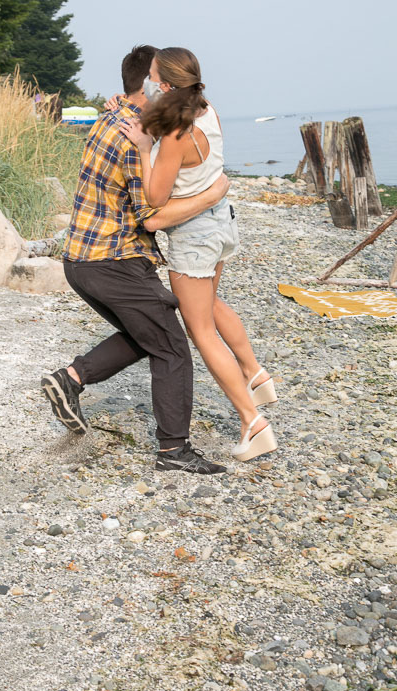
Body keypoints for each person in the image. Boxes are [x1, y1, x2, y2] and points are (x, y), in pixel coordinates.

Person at [41, 44, 231, 474]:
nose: (172, 94)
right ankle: (173, 451)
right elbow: (152, 218)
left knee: (148, 334)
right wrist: (213, 193)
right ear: (148, 86)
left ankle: (70, 380)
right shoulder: (135, 140)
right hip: (114, 259)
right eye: (164, 85)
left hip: (81, 260)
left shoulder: (110, 116)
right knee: (172, 349)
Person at [112, 47, 278, 462]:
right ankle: (255, 373)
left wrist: (144, 148)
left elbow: (155, 196)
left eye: (151, 77)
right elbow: (164, 112)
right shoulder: (207, 111)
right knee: (211, 303)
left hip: (194, 236)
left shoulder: (174, 137)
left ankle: (252, 421)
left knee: (200, 330)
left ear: (166, 85)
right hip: (223, 224)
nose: (146, 83)